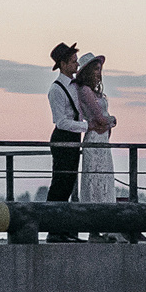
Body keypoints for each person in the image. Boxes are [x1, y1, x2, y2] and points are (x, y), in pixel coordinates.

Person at [45, 41, 86, 241]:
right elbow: (60, 122)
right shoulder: (56, 89)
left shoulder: (75, 86)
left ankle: (63, 229)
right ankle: (53, 229)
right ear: (63, 64)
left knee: (68, 184)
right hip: (63, 138)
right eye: (73, 62)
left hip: (73, 138)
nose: (76, 66)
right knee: (60, 184)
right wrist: (87, 126)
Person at [76, 52, 118, 210]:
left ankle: (104, 220)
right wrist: (112, 120)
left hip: (102, 138)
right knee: (96, 179)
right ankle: (97, 218)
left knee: (103, 178)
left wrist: (106, 123)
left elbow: (100, 120)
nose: (98, 73)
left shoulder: (92, 91)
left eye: (99, 69)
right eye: (95, 69)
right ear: (88, 71)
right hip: (95, 138)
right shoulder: (85, 91)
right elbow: (100, 118)